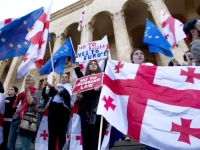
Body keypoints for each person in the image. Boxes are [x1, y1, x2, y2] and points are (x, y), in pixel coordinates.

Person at [74, 60, 107, 150]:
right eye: (91, 64)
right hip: (85, 110)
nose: (93, 65)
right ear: (88, 67)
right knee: (86, 135)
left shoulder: (103, 78)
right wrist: (80, 98)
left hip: (98, 109)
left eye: (95, 64)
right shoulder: (84, 80)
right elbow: (79, 76)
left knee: (96, 135)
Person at [130, 48, 158, 150]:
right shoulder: (128, 72)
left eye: (141, 53)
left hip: (153, 103)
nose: (139, 55)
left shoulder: (151, 68)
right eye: (136, 54)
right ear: (132, 59)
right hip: (139, 106)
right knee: (148, 134)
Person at [7, 75, 40, 150]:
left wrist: (28, 91)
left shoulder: (36, 92)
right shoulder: (21, 94)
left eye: (29, 80)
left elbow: (31, 102)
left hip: (27, 119)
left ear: (34, 83)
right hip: (16, 118)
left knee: (22, 145)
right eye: (26, 80)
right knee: (10, 143)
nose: (27, 81)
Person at [48, 74, 72, 150]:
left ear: (68, 79)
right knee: (52, 132)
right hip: (53, 108)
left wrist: (58, 90)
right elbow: (50, 94)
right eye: (62, 77)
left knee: (61, 132)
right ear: (60, 78)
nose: (64, 78)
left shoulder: (69, 87)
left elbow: (67, 96)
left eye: (66, 77)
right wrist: (53, 84)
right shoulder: (57, 85)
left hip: (63, 109)